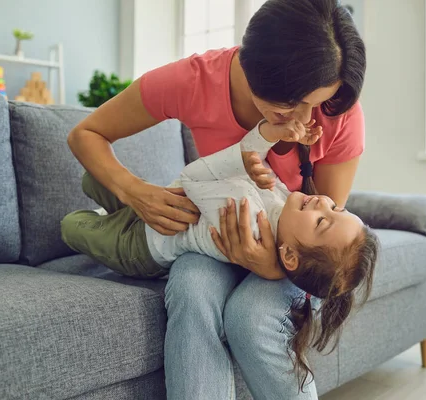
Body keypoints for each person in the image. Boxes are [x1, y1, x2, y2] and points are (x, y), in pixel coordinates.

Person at [66, 0, 367, 397]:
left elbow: (321, 242)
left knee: (251, 316)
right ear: (251, 68)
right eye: (291, 104)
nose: (308, 119)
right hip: (209, 241)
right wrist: (134, 191)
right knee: (192, 287)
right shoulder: (193, 81)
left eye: (318, 103)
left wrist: (272, 267)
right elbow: (85, 133)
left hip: (293, 256)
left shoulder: (337, 109)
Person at [62, 119, 378, 389]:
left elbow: (195, 178)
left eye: (322, 221)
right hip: (156, 205)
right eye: (335, 207)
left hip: (141, 245)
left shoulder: (248, 222)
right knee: (94, 176)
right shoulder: (284, 205)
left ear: (291, 256)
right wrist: (267, 142)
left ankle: (102, 218)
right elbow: (247, 168)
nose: (321, 201)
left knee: (71, 225)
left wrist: (256, 147)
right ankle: (110, 210)